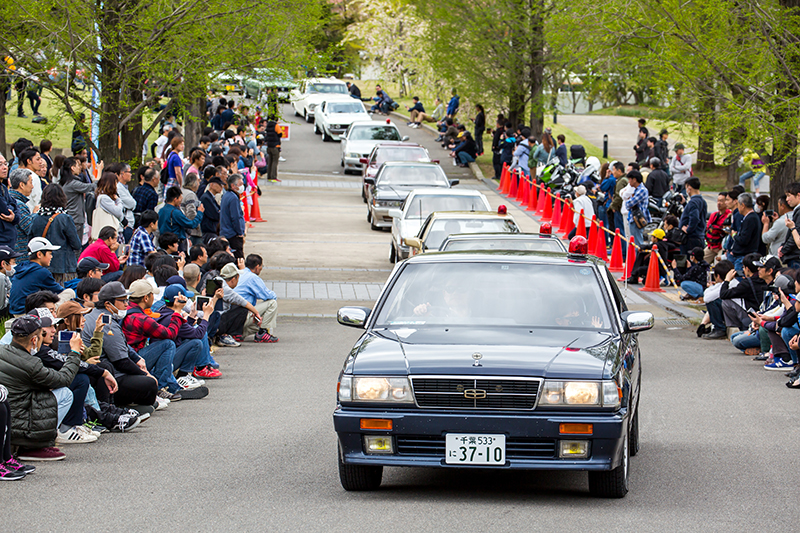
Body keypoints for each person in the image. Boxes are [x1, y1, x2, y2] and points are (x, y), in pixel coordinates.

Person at [0, 315, 81, 462]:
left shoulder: (2, 351)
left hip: (6, 414)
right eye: (41, 335)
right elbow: (63, 379)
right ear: (34, 339)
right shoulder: (31, 364)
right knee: (65, 393)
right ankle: (34, 446)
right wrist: (74, 353)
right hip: (18, 423)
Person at [81, 282, 160, 410]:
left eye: (126, 300)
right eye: (122, 301)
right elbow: (121, 361)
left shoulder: (99, 314)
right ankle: (127, 405)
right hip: (105, 374)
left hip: (106, 371)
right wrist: (145, 375)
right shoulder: (105, 320)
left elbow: (122, 345)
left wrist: (137, 358)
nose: (126, 304)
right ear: (108, 303)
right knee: (150, 383)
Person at [154, 283, 220, 381]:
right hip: (167, 361)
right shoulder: (173, 317)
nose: (187, 300)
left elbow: (182, 329)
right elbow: (198, 334)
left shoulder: (164, 311)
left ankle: (182, 375)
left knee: (193, 340)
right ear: (178, 299)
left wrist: (191, 316)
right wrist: (206, 315)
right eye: (185, 298)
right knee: (196, 343)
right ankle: (183, 376)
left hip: (162, 357)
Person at [29, 184, 82, 284]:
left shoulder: (35, 218)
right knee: (64, 295)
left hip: (41, 266)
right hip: (64, 267)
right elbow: (76, 244)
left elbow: (30, 241)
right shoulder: (64, 218)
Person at [8, 238, 64, 316]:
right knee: (69, 292)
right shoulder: (41, 272)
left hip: (15, 312)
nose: (51, 257)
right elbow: (59, 291)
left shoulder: (22, 267)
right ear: (39, 254)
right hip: (30, 312)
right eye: (50, 253)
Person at [215, 263, 265, 346]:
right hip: (219, 322)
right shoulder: (225, 289)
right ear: (234, 279)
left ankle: (223, 334)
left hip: (214, 318)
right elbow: (243, 302)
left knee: (237, 306)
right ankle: (226, 335)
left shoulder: (217, 281)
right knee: (242, 309)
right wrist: (256, 313)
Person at [234, 254, 279, 342]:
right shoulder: (252, 277)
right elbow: (267, 295)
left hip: (234, 317)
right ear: (257, 266)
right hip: (242, 315)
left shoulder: (239, 273)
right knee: (272, 303)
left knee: (255, 315)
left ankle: (237, 333)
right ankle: (262, 332)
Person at [59, 156, 96, 241]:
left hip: (72, 218)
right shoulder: (73, 184)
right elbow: (92, 187)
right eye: (78, 165)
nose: (80, 167)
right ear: (72, 168)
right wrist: (100, 172)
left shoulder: (67, 182)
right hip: (75, 220)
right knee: (76, 248)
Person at [158, 186, 205, 253]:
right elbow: (192, 224)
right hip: (175, 244)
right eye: (180, 197)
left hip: (164, 244)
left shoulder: (161, 210)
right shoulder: (175, 212)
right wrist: (200, 213)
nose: (181, 199)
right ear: (175, 199)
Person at [729, 193, 761, 273]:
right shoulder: (752, 217)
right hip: (743, 254)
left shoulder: (750, 219)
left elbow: (744, 239)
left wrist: (734, 235)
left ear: (743, 205)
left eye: (738, 205)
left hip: (744, 255)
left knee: (739, 280)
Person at [677, 177, 707, 255]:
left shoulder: (693, 202)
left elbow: (695, 218)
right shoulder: (702, 201)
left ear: (689, 187)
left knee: (688, 261)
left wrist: (688, 230)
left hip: (691, 238)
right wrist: (684, 204)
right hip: (699, 236)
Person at [91, 173, 123, 241]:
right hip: (108, 235)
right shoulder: (104, 198)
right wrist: (118, 200)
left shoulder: (102, 197)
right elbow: (118, 212)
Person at [220, 174, 246, 259]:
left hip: (226, 232)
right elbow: (235, 218)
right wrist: (240, 232)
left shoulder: (226, 195)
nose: (242, 186)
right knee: (239, 258)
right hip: (233, 234)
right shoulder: (233, 198)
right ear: (233, 185)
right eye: (240, 184)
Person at [8, 168, 32, 260]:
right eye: (31, 182)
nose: (32, 186)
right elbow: (30, 229)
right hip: (20, 255)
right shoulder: (19, 205)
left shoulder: (9, 200)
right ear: (22, 185)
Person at [704, 192, 731, 264]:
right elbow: (708, 230)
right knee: (700, 260)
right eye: (718, 200)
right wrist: (710, 246)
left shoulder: (729, 216)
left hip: (721, 248)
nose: (719, 203)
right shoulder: (713, 215)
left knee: (719, 266)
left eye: (721, 201)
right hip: (711, 246)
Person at [0, 154, 19, 251]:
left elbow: (15, 206)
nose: (4, 167)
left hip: (8, 241)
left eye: (5, 164)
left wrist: (14, 216)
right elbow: (5, 211)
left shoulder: (3, 187)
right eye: (0, 164)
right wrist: (11, 209)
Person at [181, 173, 203, 246]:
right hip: (192, 232)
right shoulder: (190, 195)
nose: (199, 184)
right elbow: (191, 214)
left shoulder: (181, 191)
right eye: (198, 181)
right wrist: (196, 224)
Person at [0, 246, 21, 315]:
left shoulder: (4, 276)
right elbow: (1, 305)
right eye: (13, 262)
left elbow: (11, 293)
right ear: (3, 264)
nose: (14, 265)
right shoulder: (1, 277)